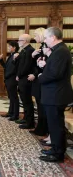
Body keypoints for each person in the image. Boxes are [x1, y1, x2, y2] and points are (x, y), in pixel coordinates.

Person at [38, 27, 73, 163]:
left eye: (46, 38)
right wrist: (44, 66)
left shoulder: (60, 51)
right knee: (54, 124)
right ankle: (55, 149)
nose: (45, 40)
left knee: (56, 125)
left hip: (56, 94)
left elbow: (54, 74)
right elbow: (54, 70)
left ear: (53, 37)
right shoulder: (59, 50)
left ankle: (58, 154)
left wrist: (41, 76)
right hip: (54, 94)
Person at [29, 28, 49, 136]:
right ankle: (40, 128)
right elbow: (37, 65)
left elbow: (42, 67)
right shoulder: (41, 47)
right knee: (40, 105)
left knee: (42, 106)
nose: (34, 37)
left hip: (42, 81)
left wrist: (35, 74)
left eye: (36, 35)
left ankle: (42, 129)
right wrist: (33, 56)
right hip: (38, 81)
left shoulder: (46, 47)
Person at [14, 34, 35, 129]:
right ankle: (26, 118)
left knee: (27, 102)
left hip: (26, 79)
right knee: (24, 100)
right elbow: (19, 65)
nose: (18, 42)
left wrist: (19, 75)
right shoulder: (23, 51)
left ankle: (29, 122)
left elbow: (26, 66)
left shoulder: (30, 50)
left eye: (20, 40)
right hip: (21, 78)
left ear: (25, 41)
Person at [0, 41, 20, 121]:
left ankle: (15, 115)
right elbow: (6, 67)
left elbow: (15, 68)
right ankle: (10, 112)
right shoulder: (10, 56)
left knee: (14, 97)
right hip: (8, 79)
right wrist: (1, 60)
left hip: (12, 79)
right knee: (11, 97)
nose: (8, 48)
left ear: (14, 47)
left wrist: (8, 76)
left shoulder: (17, 56)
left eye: (9, 47)